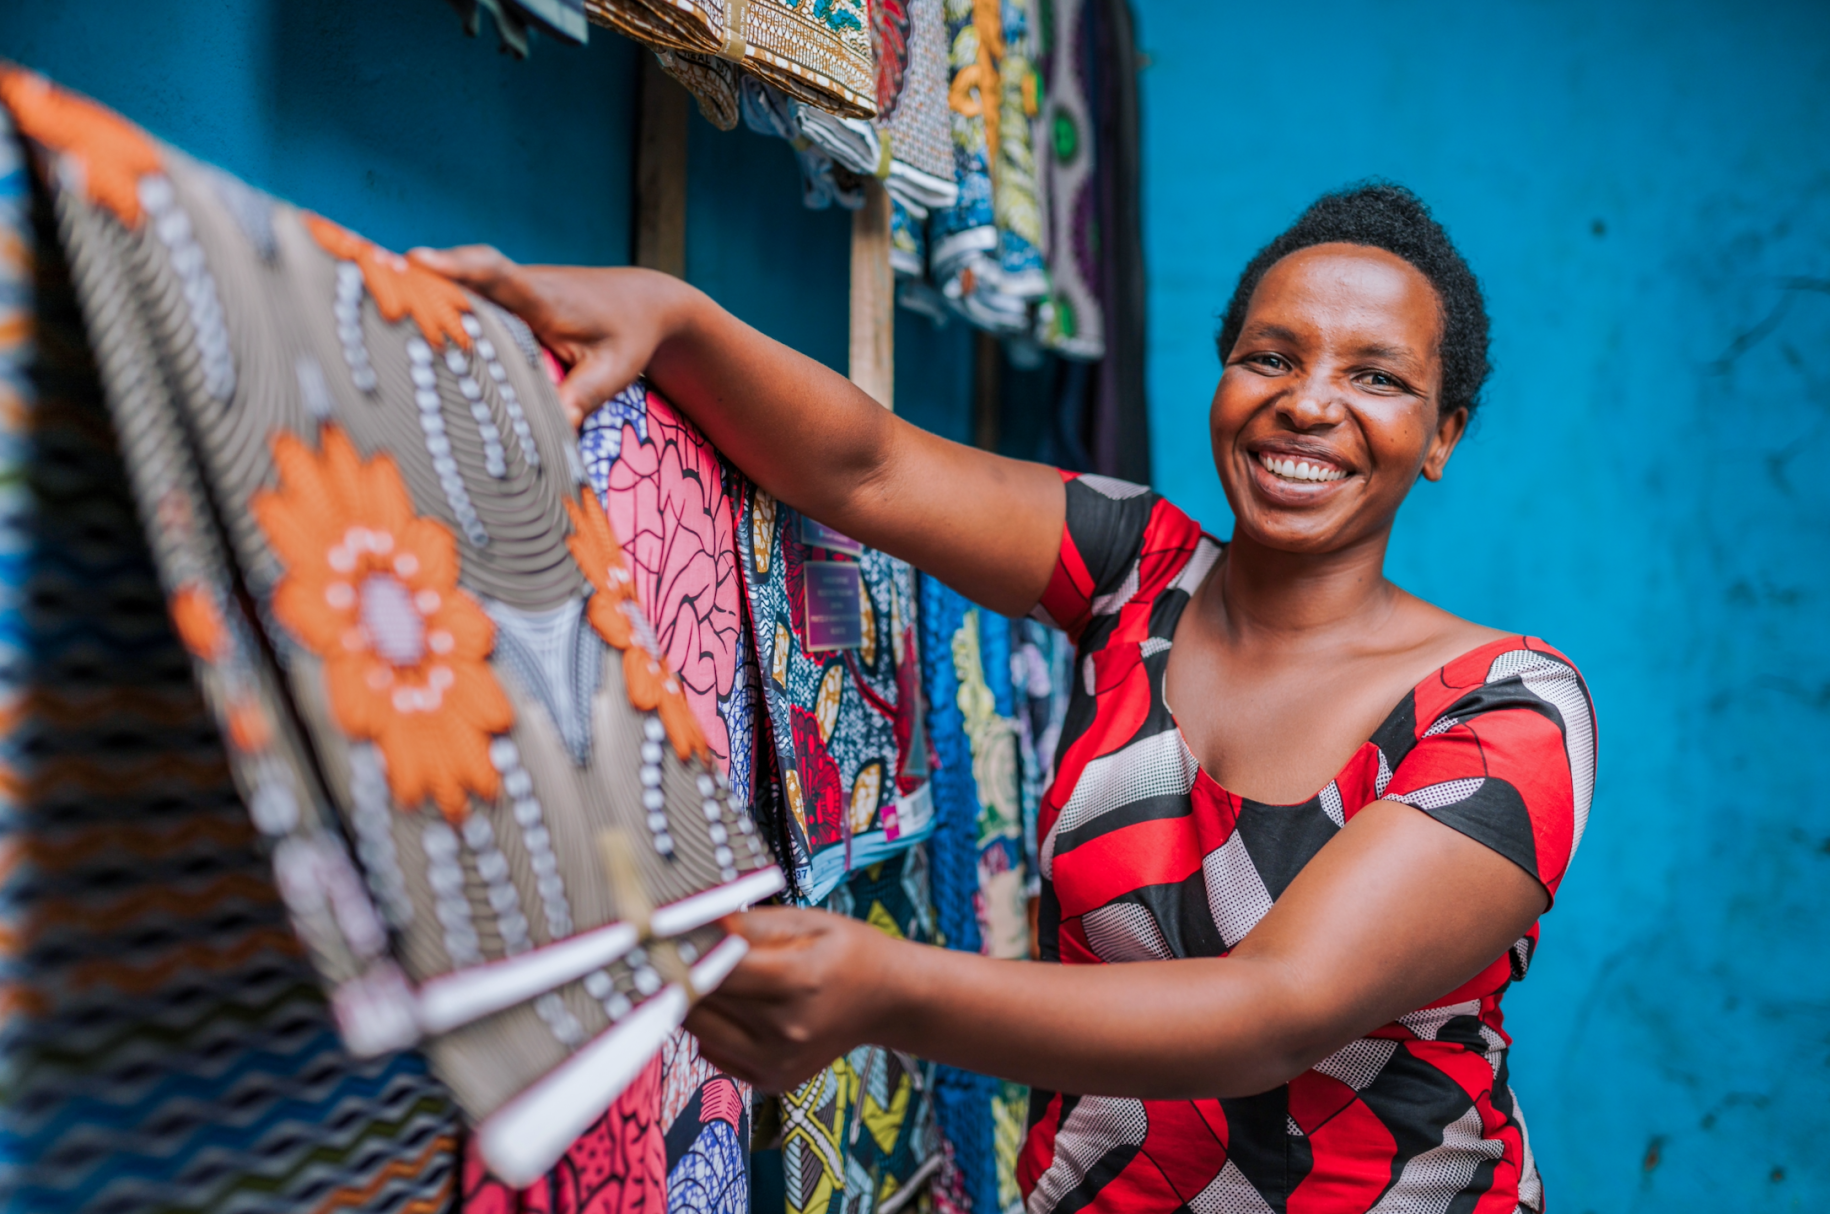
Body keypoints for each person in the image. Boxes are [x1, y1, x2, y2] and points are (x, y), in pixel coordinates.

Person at [414, 183, 1595, 1213]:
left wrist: (883, 987)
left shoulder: (1508, 711)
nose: (1309, 402)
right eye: (1271, 356)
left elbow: (1275, 1010)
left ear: (1441, 435)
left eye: (1376, 377)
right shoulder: (1138, 572)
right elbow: (867, 465)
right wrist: (670, 318)